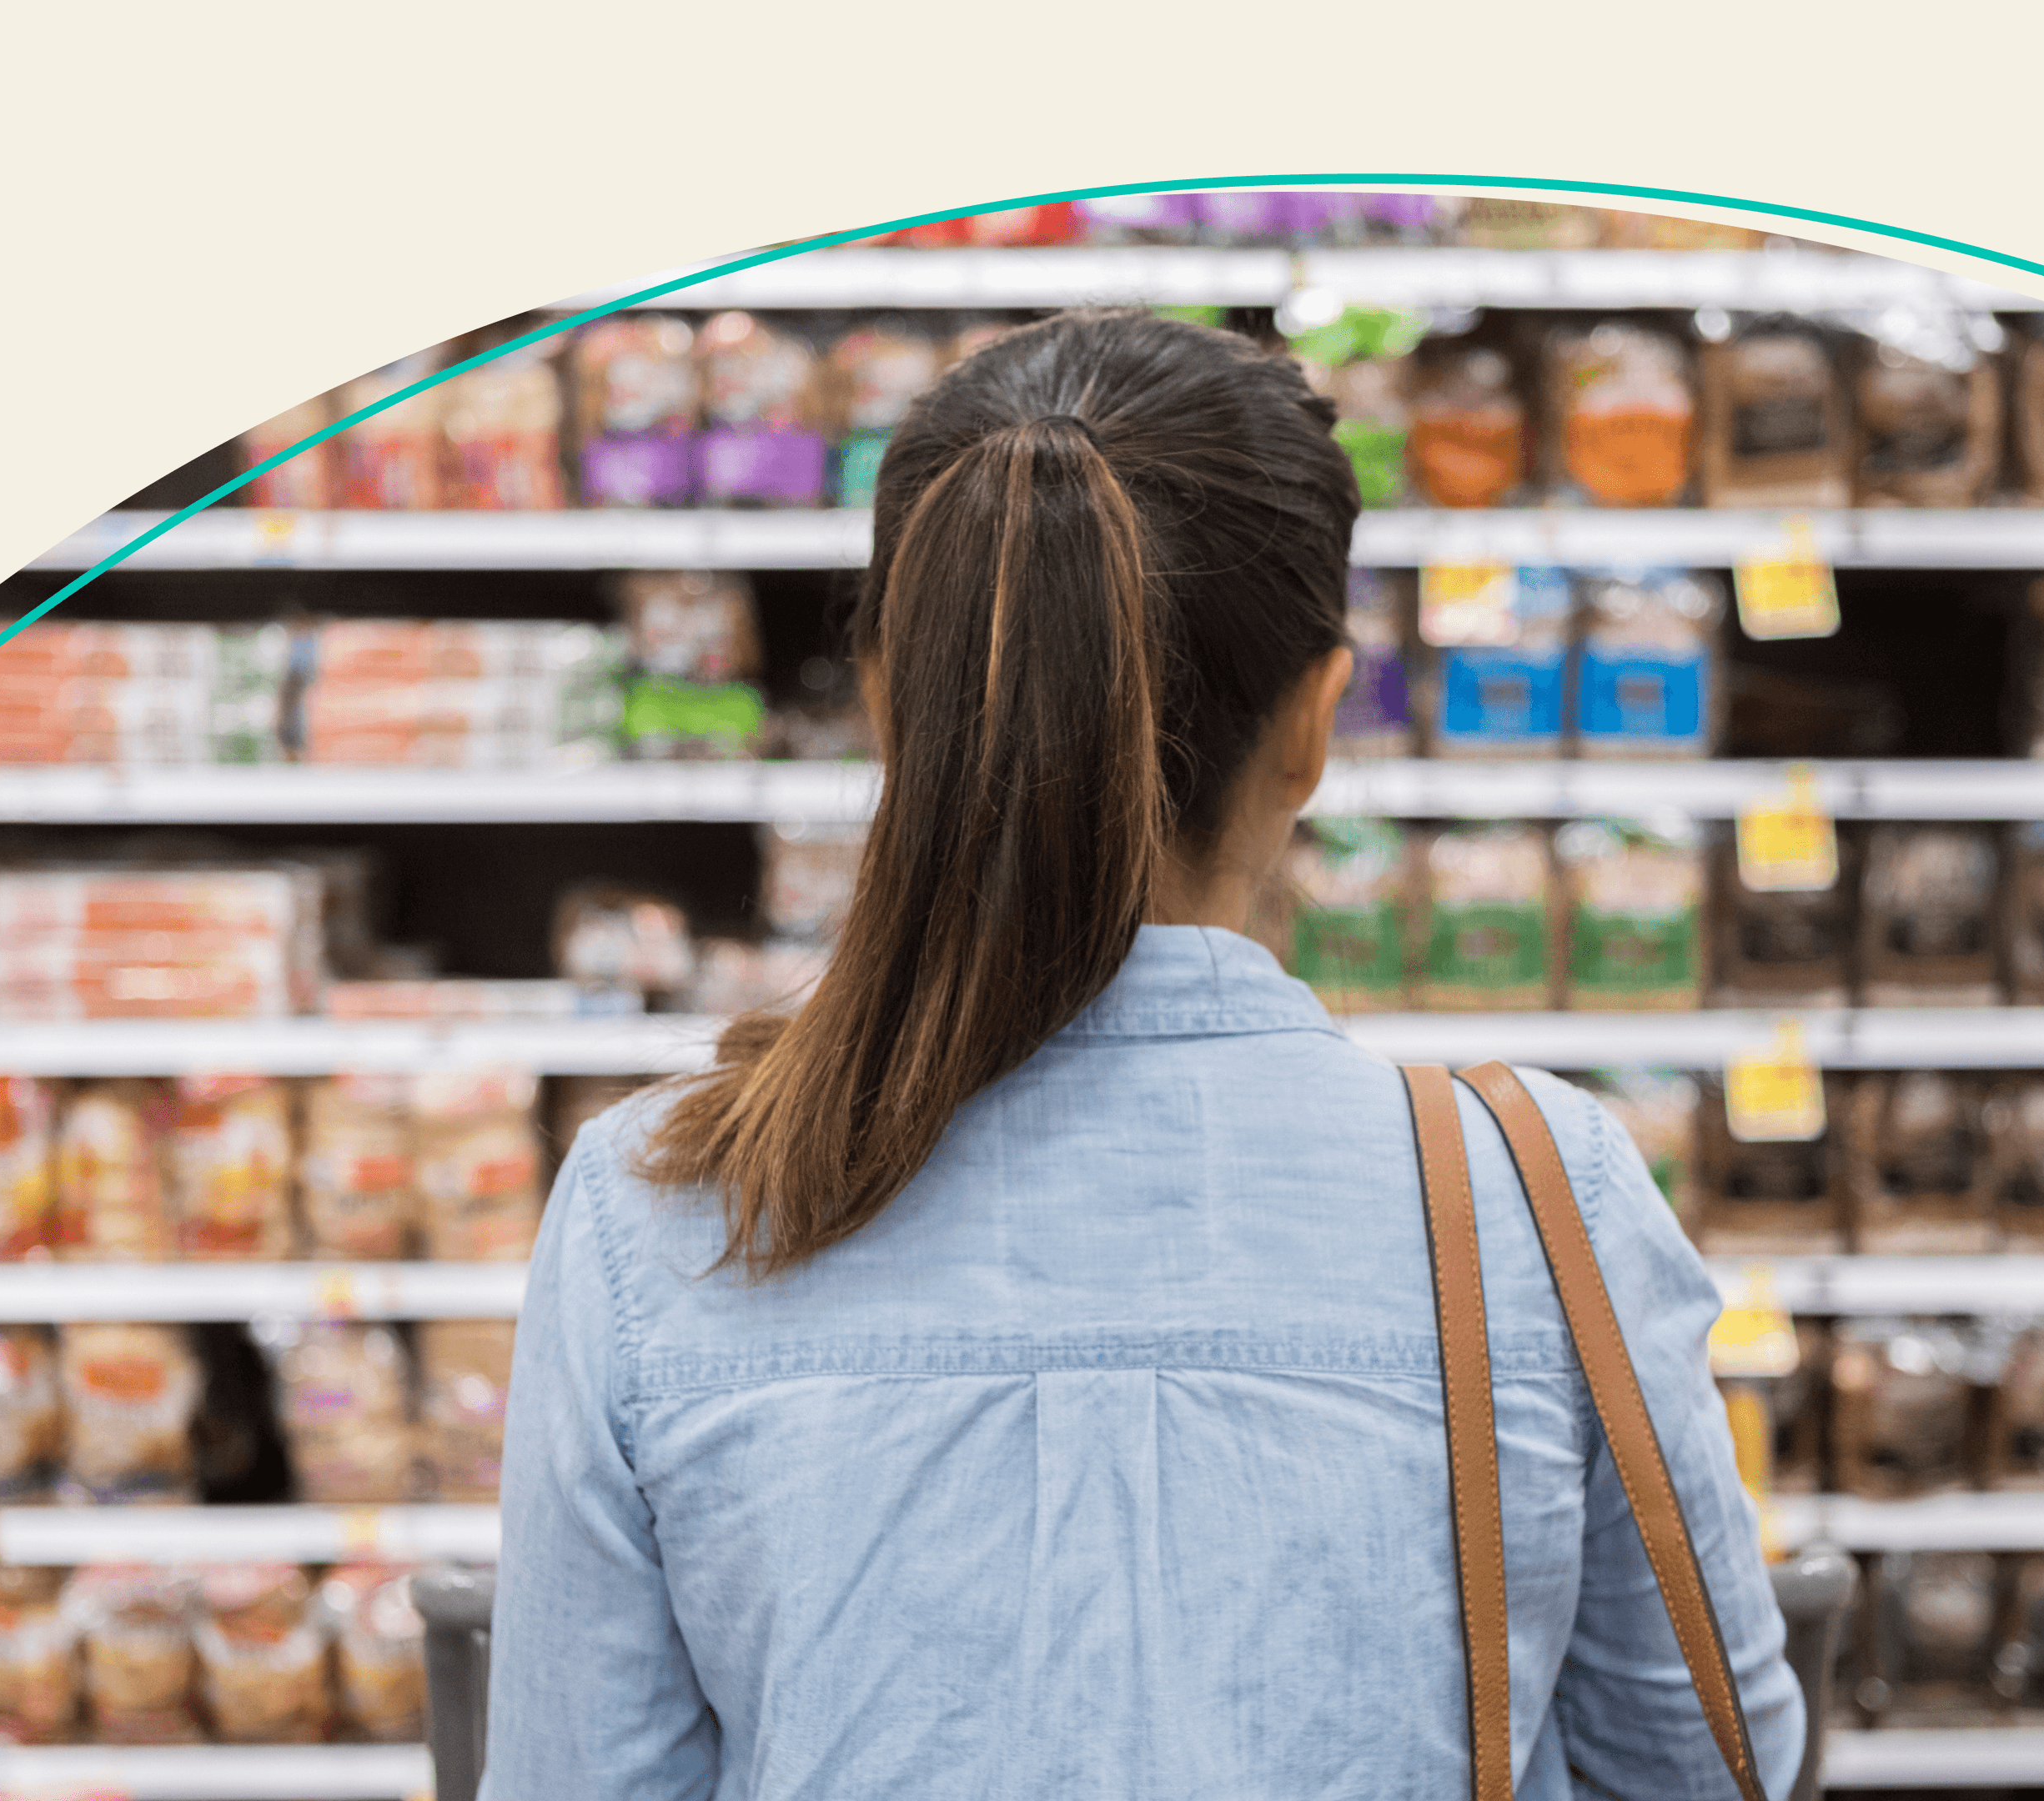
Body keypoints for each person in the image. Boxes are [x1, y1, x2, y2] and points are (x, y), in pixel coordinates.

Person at [484, 308, 1801, 1799]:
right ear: (1315, 726)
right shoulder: (1534, 1194)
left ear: (890, 707)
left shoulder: (662, 1204)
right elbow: (1707, 1768)